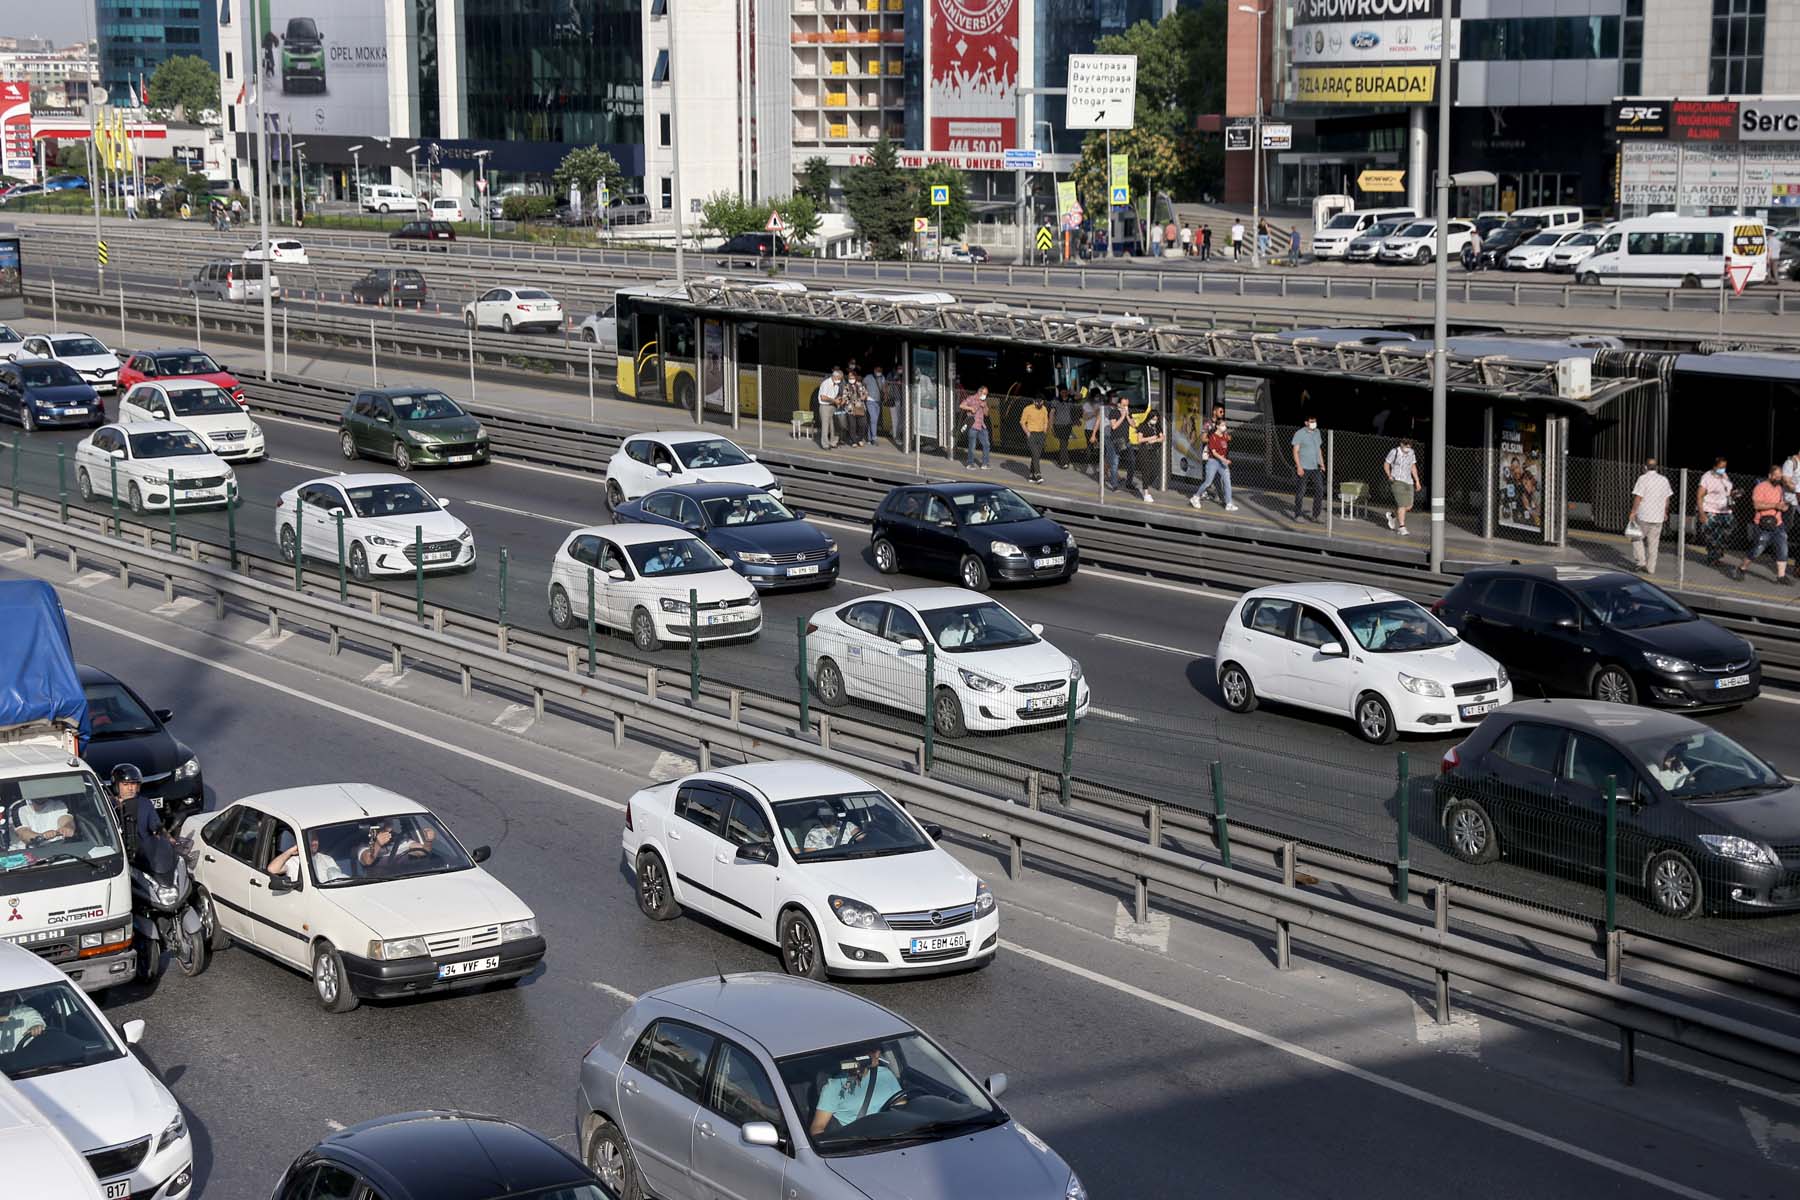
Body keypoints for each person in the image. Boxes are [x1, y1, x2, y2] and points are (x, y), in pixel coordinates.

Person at [809, 1045, 903, 1136]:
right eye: (873, 1051)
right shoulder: (834, 1087)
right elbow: (817, 1129)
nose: (878, 1054)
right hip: (858, 1142)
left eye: (878, 1050)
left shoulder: (885, 1074)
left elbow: (902, 1109)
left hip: (891, 1135)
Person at [1733, 464, 1791, 584]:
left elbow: (1780, 504)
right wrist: (1774, 505)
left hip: (1778, 523)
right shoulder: (1760, 487)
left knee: (1783, 548)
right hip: (1762, 524)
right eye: (1776, 476)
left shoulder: (1779, 488)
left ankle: (1781, 576)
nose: (1778, 479)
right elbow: (1756, 505)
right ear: (1770, 475)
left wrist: (1783, 507)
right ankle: (1741, 568)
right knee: (1757, 550)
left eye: (1780, 477)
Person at [1628, 456, 1673, 574]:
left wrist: (1633, 512)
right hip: (1658, 517)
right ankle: (1651, 568)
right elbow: (1667, 498)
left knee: (1636, 537)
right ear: (1656, 467)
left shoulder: (1642, 479)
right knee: (1654, 543)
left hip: (1644, 515)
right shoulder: (1664, 480)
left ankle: (1641, 561)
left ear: (1645, 467)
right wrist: (1665, 512)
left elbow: (1638, 497)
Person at [1192, 408, 1238, 512]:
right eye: (1222, 425)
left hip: (1222, 462)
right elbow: (1213, 452)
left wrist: (1224, 460)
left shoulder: (1224, 436)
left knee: (1227, 481)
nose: (1224, 427)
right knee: (1208, 482)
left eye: (1225, 425)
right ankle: (1196, 497)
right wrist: (1224, 459)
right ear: (1217, 426)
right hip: (1213, 462)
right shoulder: (1212, 437)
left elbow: (1228, 440)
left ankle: (1229, 503)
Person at [1696, 457, 1736, 567]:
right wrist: (1702, 513)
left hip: (1725, 511)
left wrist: (1734, 494)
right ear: (1714, 467)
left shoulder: (1725, 476)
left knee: (1725, 535)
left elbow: (1727, 492)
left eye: (1724, 467)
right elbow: (1699, 496)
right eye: (1721, 467)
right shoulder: (1706, 477)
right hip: (1711, 511)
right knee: (1712, 537)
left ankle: (1717, 556)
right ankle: (1712, 558)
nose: (1723, 469)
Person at [10, 785, 75, 849]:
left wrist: (67, 827)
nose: (39, 794)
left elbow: (67, 821)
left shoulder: (58, 804)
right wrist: (42, 836)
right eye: (36, 790)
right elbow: (23, 833)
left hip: (61, 848)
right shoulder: (18, 807)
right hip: (30, 851)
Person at [270, 833, 348, 885]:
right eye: (310, 839)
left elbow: (338, 879)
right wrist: (291, 850)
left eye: (315, 839)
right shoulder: (294, 861)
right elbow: (272, 869)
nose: (314, 842)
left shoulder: (327, 859)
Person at [1383, 436, 1421, 535]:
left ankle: (1392, 516)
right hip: (1397, 480)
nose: (1407, 449)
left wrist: (1417, 481)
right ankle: (1402, 527)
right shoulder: (1394, 452)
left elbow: (1413, 466)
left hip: (1408, 481)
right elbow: (1386, 464)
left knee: (1408, 506)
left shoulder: (1411, 452)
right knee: (1402, 505)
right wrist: (1389, 475)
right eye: (1406, 447)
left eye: (1409, 447)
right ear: (1401, 444)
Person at [1291, 416, 1326, 523]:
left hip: (1315, 467)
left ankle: (1315, 515)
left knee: (1320, 490)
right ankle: (1298, 514)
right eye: (1311, 422)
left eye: (1315, 421)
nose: (1314, 423)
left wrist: (1322, 463)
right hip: (1304, 467)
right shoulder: (1300, 433)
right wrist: (1299, 466)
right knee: (1301, 492)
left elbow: (1318, 449)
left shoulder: (1317, 432)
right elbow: (1295, 451)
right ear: (1306, 423)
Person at [1135, 403, 1165, 503]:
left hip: (1153, 451)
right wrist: (1150, 438)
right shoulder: (1143, 426)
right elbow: (1139, 439)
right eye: (1153, 419)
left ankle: (1144, 486)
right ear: (1149, 417)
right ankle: (1146, 493)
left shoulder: (1157, 427)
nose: (1154, 421)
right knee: (1146, 471)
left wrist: (1155, 440)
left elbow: (1162, 438)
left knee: (1154, 471)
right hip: (1144, 450)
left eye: (1156, 419)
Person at [1020, 393, 1050, 484]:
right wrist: (1028, 433)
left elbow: (1046, 421)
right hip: (1031, 434)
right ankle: (1038, 474)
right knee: (1035, 454)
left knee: (1036, 456)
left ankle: (1031, 475)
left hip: (1041, 434)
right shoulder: (1027, 409)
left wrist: (1045, 431)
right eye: (1037, 402)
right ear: (1034, 401)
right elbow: (1022, 422)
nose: (1039, 403)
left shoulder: (1044, 409)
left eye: (1041, 402)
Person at [960, 385, 991, 470]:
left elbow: (986, 414)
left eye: (986, 394)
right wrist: (971, 408)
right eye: (984, 393)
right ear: (980, 392)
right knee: (972, 445)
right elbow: (962, 405)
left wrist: (985, 406)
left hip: (982, 425)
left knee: (986, 444)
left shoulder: (984, 401)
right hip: (973, 425)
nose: (985, 395)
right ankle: (970, 463)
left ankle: (985, 463)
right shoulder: (971, 398)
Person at [1050, 385, 1078, 470]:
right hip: (1058, 425)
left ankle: (1064, 461)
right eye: (1062, 391)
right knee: (1063, 443)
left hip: (1068, 425)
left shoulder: (1071, 399)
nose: (1064, 393)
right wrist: (1050, 424)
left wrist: (1073, 391)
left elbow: (1082, 395)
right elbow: (1052, 412)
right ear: (1060, 392)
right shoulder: (1055, 400)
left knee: (1064, 443)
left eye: (1065, 391)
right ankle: (1064, 462)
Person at [816, 368, 842, 449]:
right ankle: (825, 444)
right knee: (825, 425)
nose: (840, 380)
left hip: (832, 406)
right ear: (835, 377)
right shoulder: (826, 383)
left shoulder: (837, 385)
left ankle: (833, 442)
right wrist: (834, 400)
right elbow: (823, 397)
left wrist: (837, 401)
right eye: (840, 378)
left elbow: (833, 396)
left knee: (832, 425)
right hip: (825, 407)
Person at [842, 371, 869, 447]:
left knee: (863, 424)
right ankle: (853, 441)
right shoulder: (846, 386)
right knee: (852, 426)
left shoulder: (860, 385)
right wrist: (849, 402)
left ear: (855, 377)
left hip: (860, 408)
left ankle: (859, 439)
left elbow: (866, 393)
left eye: (852, 377)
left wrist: (864, 397)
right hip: (850, 409)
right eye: (850, 378)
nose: (851, 379)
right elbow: (844, 397)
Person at [866, 365, 886, 448]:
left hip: (878, 402)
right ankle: (874, 438)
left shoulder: (882, 378)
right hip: (870, 400)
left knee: (873, 420)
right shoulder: (868, 377)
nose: (879, 372)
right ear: (874, 370)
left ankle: (869, 438)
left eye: (880, 370)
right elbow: (863, 384)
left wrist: (885, 395)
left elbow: (884, 387)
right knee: (874, 419)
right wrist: (865, 393)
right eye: (878, 370)